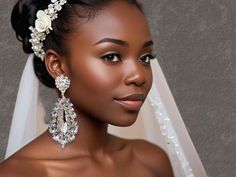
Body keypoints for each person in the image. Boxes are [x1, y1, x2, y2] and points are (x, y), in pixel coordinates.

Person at [0, 0, 175, 176]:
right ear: (57, 66)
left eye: (145, 58)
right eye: (112, 56)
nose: (138, 76)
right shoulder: (18, 173)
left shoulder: (151, 160)